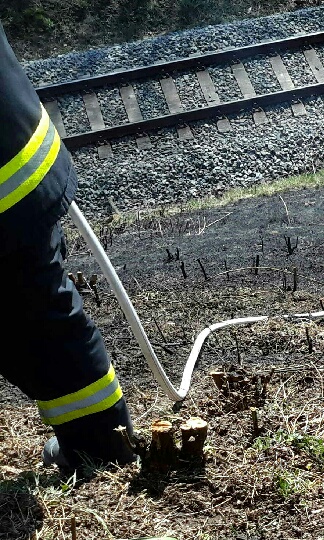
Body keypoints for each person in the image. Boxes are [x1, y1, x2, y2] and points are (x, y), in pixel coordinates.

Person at [0, 22, 137, 474]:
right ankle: (99, 440)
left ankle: (99, 445)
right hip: (19, 145)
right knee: (39, 310)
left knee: (32, 318)